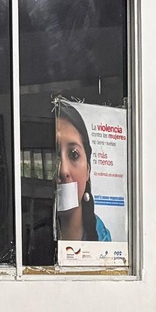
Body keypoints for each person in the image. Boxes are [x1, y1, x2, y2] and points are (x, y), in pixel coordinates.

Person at [51, 96, 111, 243]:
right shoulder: (34, 237)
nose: (63, 170)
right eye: (54, 155)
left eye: (73, 154)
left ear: (88, 170)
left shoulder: (103, 238)